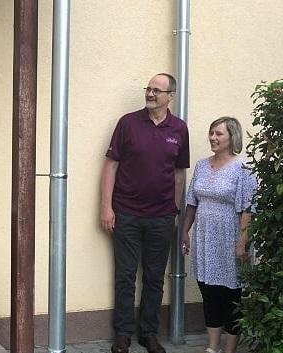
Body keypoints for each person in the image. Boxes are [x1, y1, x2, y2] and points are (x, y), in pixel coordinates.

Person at [100, 73, 190, 353]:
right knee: (125, 275)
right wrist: (106, 206)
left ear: (170, 96)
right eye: (148, 89)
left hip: (161, 216)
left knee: (154, 277)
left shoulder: (179, 129)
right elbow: (111, 166)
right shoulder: (128, 123)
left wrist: (174, 210)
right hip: (126, 213)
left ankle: (148, 333)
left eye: (156, 90)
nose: (150, 94)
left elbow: (178, 174)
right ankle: (123, 334)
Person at [181, 117, 257, 353]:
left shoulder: (244, 169)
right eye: (211, 133)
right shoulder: (202, 166)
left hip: (230, 238)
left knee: (231, 295)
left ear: (232, 137)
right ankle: (212, 347)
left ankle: (230, 349)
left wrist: (242, 243)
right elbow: (192, 202)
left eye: (219, 134)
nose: (213, 138)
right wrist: (184, 231)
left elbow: (248, 208)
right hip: (205, 238)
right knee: (209, 292)